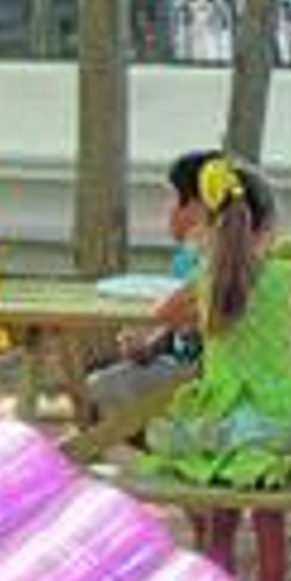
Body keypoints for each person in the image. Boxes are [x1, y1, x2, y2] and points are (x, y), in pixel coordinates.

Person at [140, 156, 291, 581]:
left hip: (220, 427)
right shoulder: (284, 276)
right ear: (269, 225)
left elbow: (161, 312)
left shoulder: (207, 280)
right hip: (276, 427)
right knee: (271, 528)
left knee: (220, 529)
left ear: (212, 222)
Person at [87, 149, 220, 421]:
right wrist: (149, 347)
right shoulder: (187, 258)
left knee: (96, 389)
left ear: (197, 205)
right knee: (99, 383)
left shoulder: (215, 261)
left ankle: (152, 450)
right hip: (186, 367)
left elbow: (184, 323)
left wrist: (154, 336)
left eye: (171, 198)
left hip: (209, 378)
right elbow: (178, 331)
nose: (166, 208)